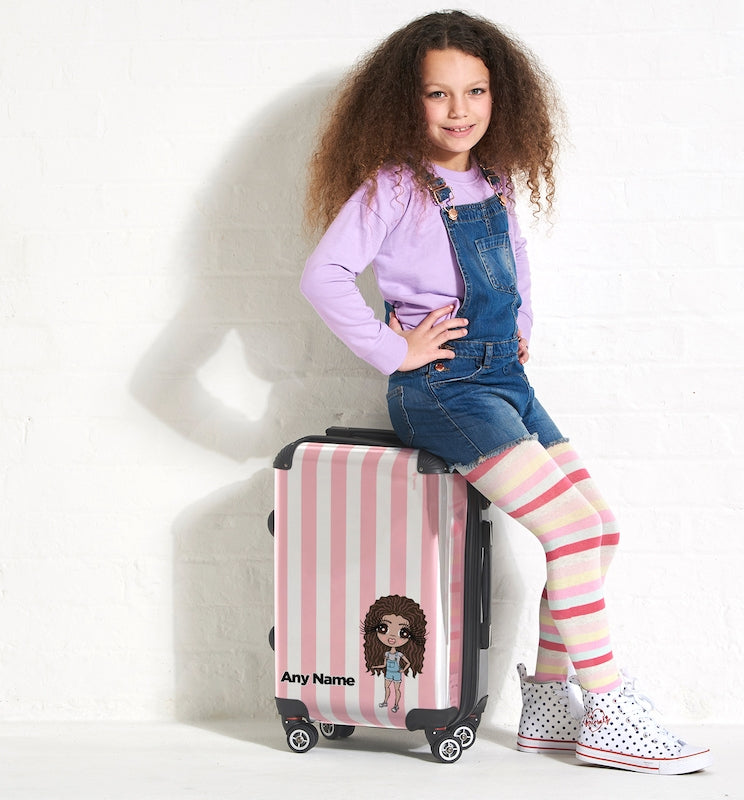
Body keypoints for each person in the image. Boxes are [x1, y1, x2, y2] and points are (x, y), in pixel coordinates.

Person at [299, 10, 711, 775]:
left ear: (500, 95)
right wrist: (394, 349)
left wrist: (520, 327)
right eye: (438, 93)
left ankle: (549, 704)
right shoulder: (394, 186)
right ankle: (608, 705)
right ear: (406, 101)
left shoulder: (493, 178)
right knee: (570, 529)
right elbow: (323, 276)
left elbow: (515, 260)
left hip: (504, 378)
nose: (459, 110)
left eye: (476, 91)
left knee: (597, 528)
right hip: (443, 388)